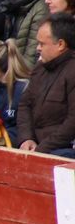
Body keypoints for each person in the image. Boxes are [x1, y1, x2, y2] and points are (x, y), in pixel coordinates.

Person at [18, 14, 75, 156]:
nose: (38, 48)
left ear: (61, 44)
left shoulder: (72, 71)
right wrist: (27, 138)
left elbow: (72, 122)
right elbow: (25, 104)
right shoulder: (40, 67)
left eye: (42, 44)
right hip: (35, 145)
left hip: (61, 149)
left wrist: (41, 149)